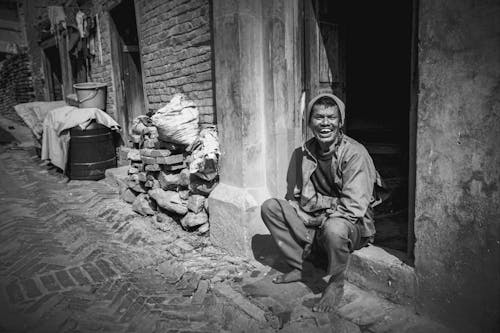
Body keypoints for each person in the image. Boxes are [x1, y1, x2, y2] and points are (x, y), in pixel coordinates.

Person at [261, 93, 383, 312]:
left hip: (350, 226)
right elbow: (295, 196)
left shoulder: (355, 154)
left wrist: (314, 214)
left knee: (334, 227)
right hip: (316, 221)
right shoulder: (304, 152)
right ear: (309, 122)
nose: (325, 123)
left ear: (340, 122)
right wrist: (299, 210)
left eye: (331, 117)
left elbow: (352, 208)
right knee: (271, 207)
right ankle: (302, 267)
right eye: (318, 117)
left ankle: (336, 282)